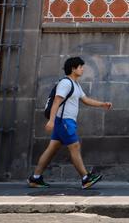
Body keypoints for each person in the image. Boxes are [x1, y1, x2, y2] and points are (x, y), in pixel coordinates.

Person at [28, 56, 112, 189]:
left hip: (64, 122)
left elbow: (85, 100)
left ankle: (35, 178)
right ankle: (86, 178)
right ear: (73, 69)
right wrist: (51, 120)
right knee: (75, 146)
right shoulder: (66, 83)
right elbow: (57, 101)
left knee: (51, 149)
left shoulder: (75, 84)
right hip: (64, 121)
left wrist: (103, 104)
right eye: (80, 67)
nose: (83, 69)